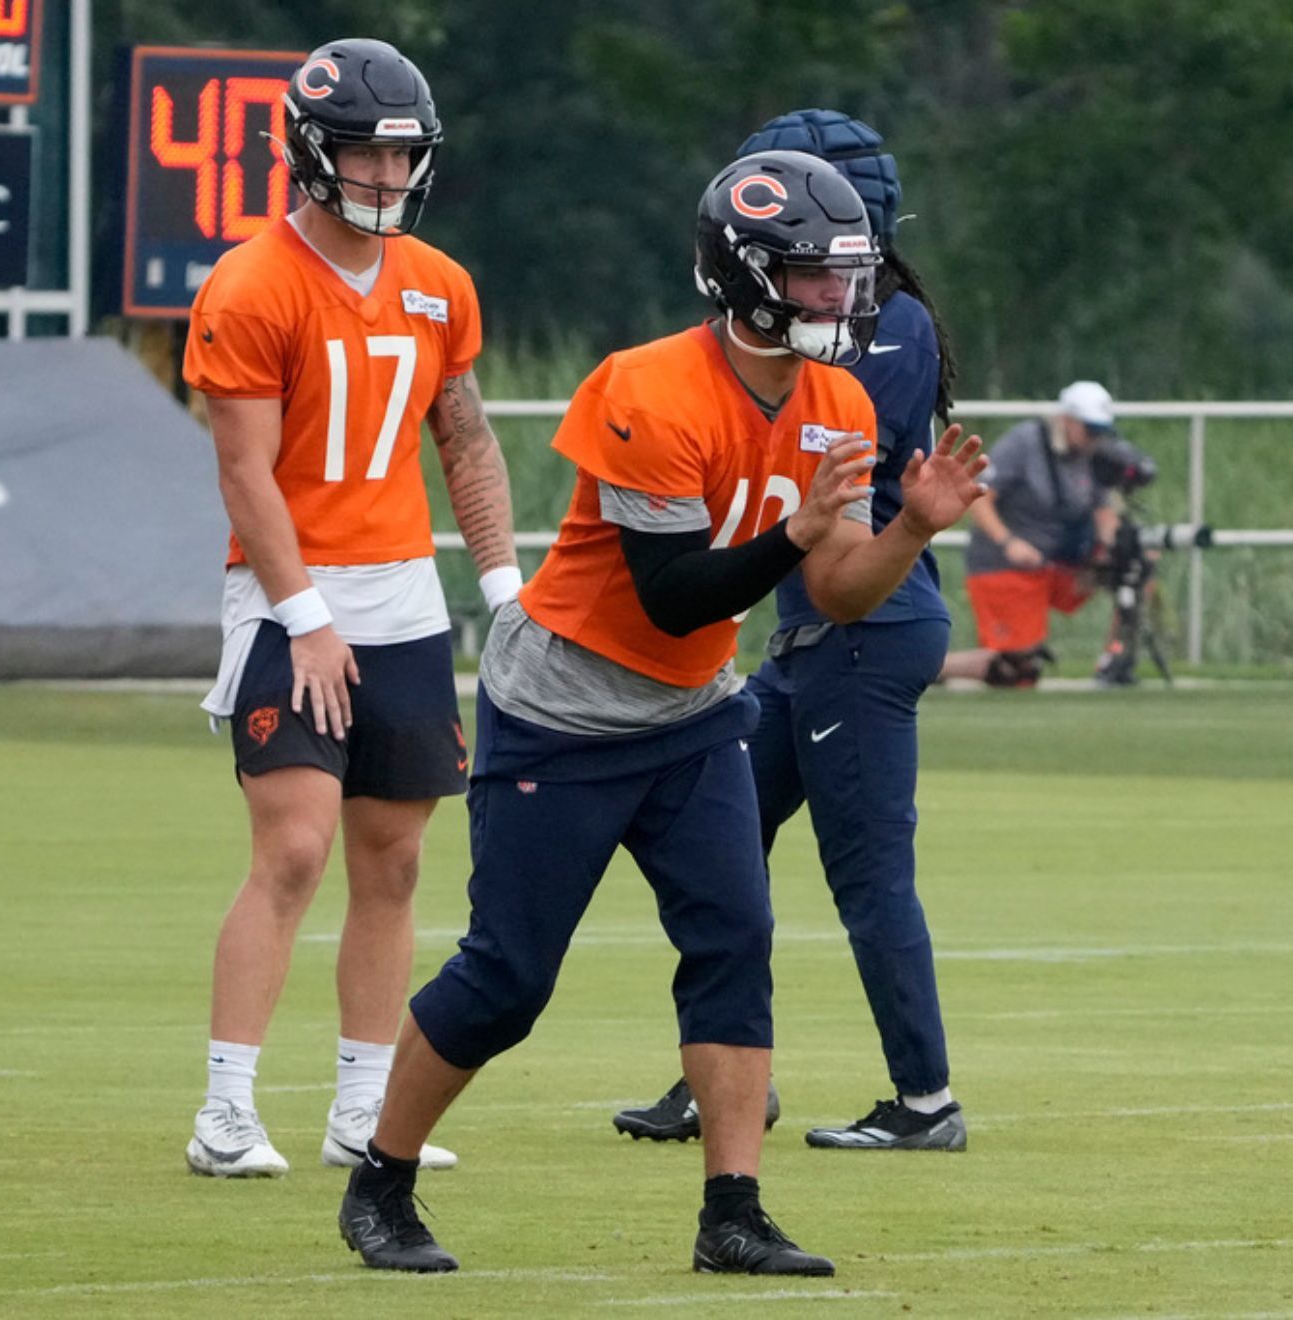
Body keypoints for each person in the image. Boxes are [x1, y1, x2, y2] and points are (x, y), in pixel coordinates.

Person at [335, 149, 988, 1275]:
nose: (845, 299)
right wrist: (794, 534)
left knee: (736, 943)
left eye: (849, 275)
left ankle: (731, 1210)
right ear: (745, 276)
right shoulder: (647, 388)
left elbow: (834, 594)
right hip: (565, 709)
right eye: (818, 276)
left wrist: (911, 529)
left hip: (691, 713)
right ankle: (380, 1180)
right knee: (508, 977)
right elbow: (675, 591)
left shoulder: (834, 402)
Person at [180, 38, 520, 1180]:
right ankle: (226, 1109)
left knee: (395, 859)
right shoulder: (250, 284)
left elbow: (464, 439)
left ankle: (367, 1112)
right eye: (369, 154)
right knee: (295, 848)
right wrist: (306, 615)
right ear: (314, 154)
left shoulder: (440, 283)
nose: (387, 176)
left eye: (402, 155)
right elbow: (245, 476)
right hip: (286, 597)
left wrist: (505, 587)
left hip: (404, 597)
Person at [612, 109, 966, 1153]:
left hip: (862, 627)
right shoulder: (855, 321)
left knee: (867, 874)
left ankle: (926, 1099)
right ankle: (725, 1075)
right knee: (717, 855)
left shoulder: (882, 328)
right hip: (811, 636)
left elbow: (829, 455)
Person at [938, 380, 1129, 687]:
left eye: (1100, 431)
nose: (1095, 439)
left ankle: (1116, 659)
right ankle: (930, 668)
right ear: (1067, 420)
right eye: (1089, 429)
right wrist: (1009, 542)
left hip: (1059, 562)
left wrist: (1106, 547)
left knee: (1135, 567)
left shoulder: (1093, 454)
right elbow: (981, 497)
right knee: (1017, 670)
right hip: (1008, 564)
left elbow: (1103, 507)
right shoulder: (1025, 443)